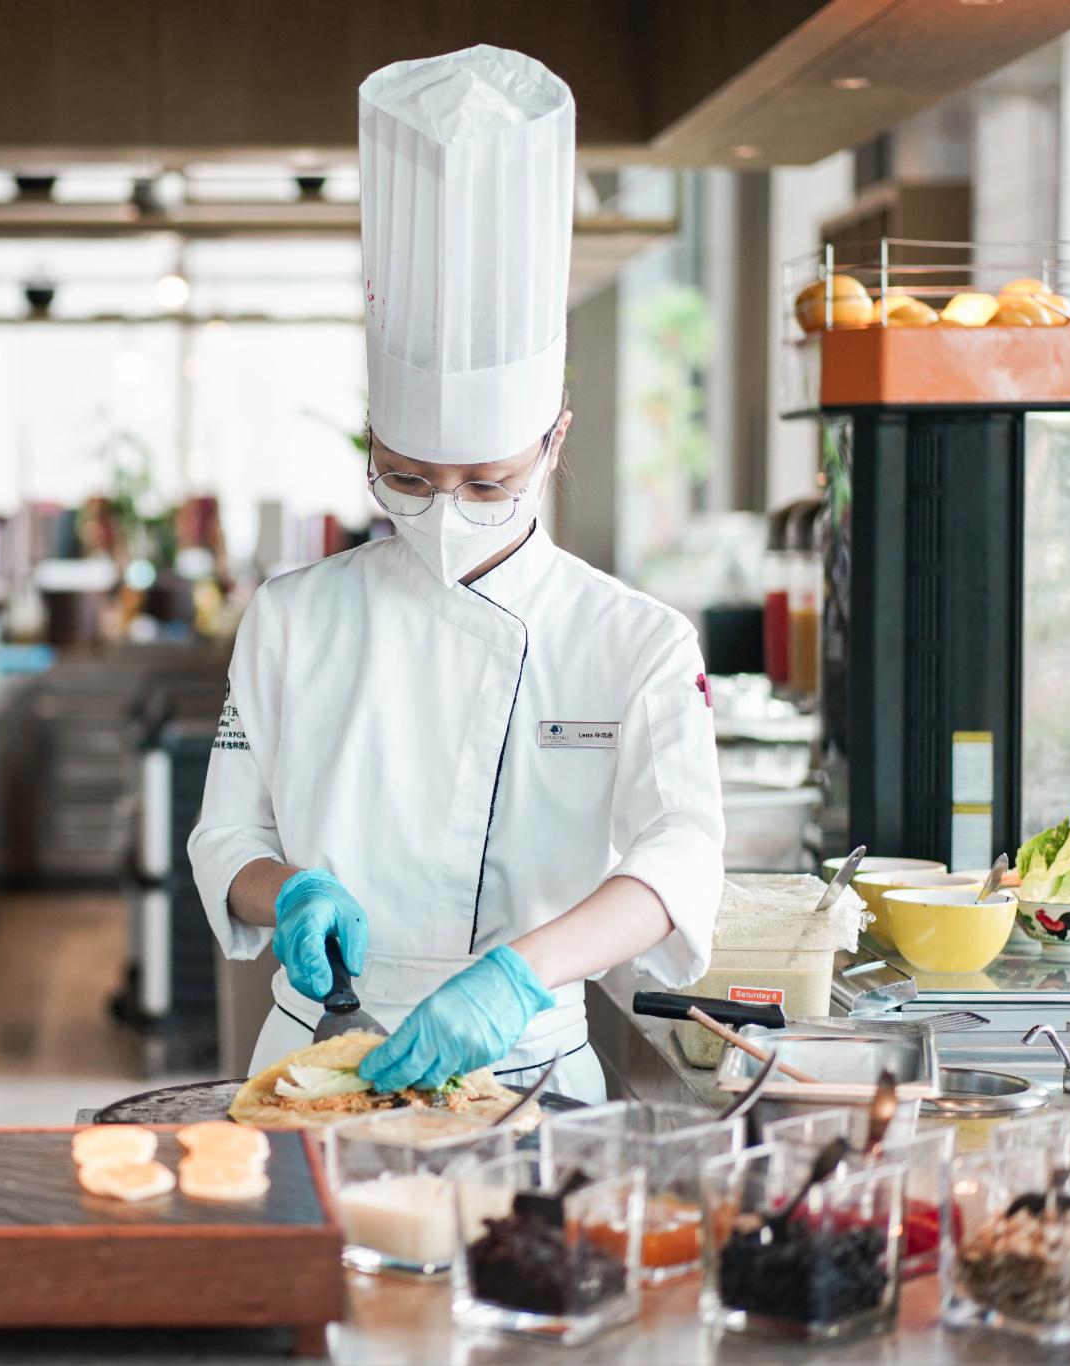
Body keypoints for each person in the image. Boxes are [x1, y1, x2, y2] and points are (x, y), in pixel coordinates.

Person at [188, 45, 725, 1104]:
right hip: (314, 1062)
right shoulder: (293, 616)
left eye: (486, 482)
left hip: (526, 1063)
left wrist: (522, 971)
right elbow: (227, 837)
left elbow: (680, 858)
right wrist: (287, 891)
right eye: (406, 478)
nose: (443, 511)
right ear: (370, 444)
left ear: (554, 442)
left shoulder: (634, 640)